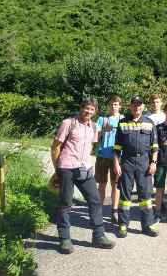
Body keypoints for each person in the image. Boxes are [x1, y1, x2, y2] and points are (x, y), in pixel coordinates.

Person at [51, 99, 115, 254]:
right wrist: (57, 170)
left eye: (92, 110)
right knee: (66, 203)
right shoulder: (69, 123)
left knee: (94, 200)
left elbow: (90, 147)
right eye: (87, 108)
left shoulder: (93, 127)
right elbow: (55, 147)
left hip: (84, 169)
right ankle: (65, 239)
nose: (89, 112)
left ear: (95, 111)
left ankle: (98, 236)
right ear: (81, 108)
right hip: (66, 167)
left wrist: (89, 163)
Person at [113, 96, 160, 238]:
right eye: (134, 105)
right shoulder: (122, 123)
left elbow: (155, 147)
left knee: (145, 196)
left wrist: (154, 162)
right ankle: (123, 225)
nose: (136, 107)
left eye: (139, 105)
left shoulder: (149, 123)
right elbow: (116, 148)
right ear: (130, 106)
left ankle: (147, 225)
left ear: (143, 107)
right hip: (127, 161)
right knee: (125, 195)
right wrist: (116, 163)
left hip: (144, 162)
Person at [95, 95, 124, 225]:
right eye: (112, 104)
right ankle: (99, 212)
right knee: (102, 184)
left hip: (118, 157)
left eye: (116, 104)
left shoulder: (123, 119)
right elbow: (94, 137)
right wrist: (102, 131)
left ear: (120, 106)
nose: (114, 106)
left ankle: (114, 211)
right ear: (108, 106)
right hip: (102, 155)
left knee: (116, 185)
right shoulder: (102, 119)